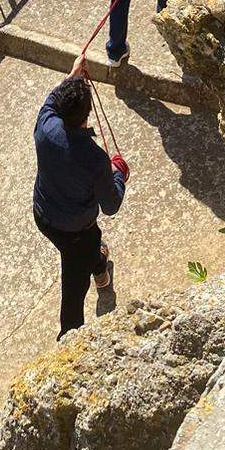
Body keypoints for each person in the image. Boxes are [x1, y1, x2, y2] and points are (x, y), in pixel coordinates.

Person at [33, 54, 129, 339]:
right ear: (86, 115)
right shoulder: (94, 159)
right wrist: (119, 174)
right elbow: (111, 205)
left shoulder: (45, 126)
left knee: (88, 246)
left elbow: (53, 99)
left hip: (44, 215)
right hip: (75, 229)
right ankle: (69, 336)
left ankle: (99, 265)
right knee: (73, 288)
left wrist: (73, 76)